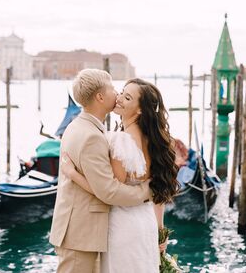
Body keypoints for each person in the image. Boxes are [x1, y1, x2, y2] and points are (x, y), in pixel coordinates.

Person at [61, 78, 179, 273]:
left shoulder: (122, 141)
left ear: (140, 110)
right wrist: (160, 231)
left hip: (124, 225)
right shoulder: (154, 141)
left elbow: (110, 192)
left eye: (127, 97)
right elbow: (157, 191)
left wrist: (72, 174)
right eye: (122, 92)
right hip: (146, 221)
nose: (119, 98)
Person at [49, 69, 153, 273]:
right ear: (100, 96)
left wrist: (73, 175)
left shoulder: (79, 126)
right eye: (113, 88)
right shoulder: (91, 136)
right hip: (80, 234)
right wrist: (147, 192)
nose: (117, 94)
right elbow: (109, 191)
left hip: (81, 231)